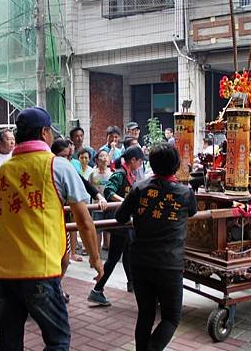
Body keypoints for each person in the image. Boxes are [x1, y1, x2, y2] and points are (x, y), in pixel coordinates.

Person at [0, 106, 103, 351]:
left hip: (0, 273)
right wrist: (95, 259)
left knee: (8, 345)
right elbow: (84, 220)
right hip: (39, 271)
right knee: (58, 341)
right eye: (50, 131)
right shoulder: (57, 166)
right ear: (44, 133)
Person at [115, 143, 196, 351]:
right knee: (171, 317)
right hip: (169, 264)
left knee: (146, 314)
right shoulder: (185, 193)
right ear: (176, 165)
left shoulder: (139, 188)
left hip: (140, 261)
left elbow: (120, 217)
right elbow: (193, 212)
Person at [88, 145, 145, 306]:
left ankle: (131, 284)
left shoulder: (130, 175)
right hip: (119, 222)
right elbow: (108, 192)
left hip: (125, 223)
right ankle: (97, 290)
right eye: (139, 162)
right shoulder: (119, 174)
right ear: (132, 160)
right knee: (113, 258)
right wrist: (126, 202)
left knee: (127, 254)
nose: (140, 165)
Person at [89, 149, 113, 251]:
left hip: (109, 206)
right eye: (101, 156)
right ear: (97, 160)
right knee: (97, 230)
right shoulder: (93, 173)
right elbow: (89, 188)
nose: (104, 158)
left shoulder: (112, 174)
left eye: (106, 156)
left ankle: (109, 249)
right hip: (97, 206)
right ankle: (96, 252)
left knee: (109, 229)